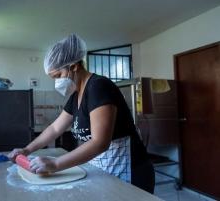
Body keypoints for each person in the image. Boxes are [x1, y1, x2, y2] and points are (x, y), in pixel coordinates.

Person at [8, 34, 155, 193]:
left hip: (130, 171)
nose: (57, 82)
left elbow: (100, 142)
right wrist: (26, 150)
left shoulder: (98, 87)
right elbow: (55, 129)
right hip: (104, 168)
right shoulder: (76, 96)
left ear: (74, 66)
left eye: (58, 76)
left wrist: (55, 164)